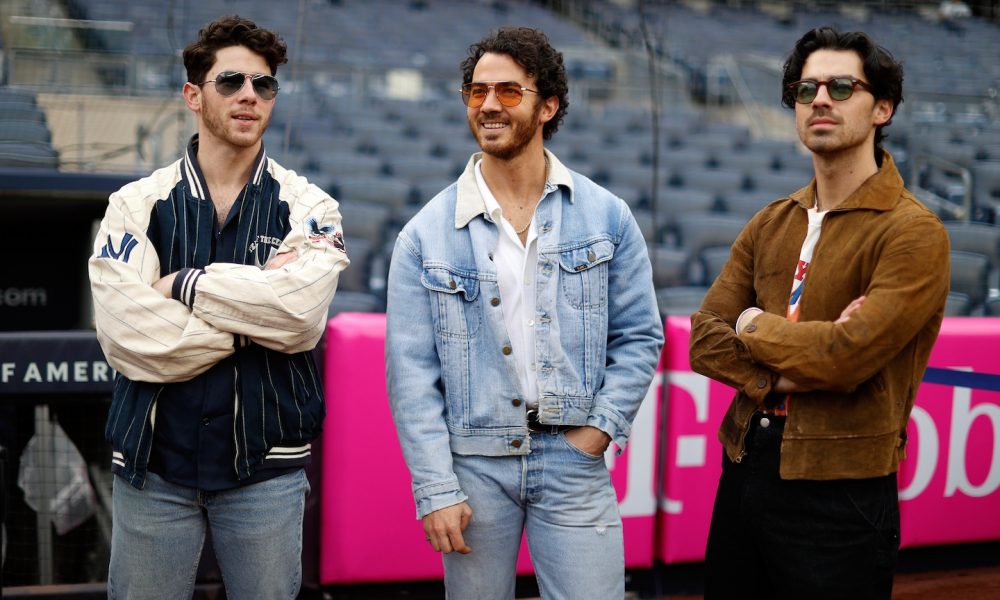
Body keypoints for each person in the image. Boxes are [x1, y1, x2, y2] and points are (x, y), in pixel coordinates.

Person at [385, 26, 663, 599]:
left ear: (548, 106)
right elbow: (410, 375)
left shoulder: (607, 217)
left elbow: (639, 337)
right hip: (474, 466)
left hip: (573, 459)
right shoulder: (424, 235)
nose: (488, 104)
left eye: (509, 92)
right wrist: (437, 488)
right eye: (476, 91)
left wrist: (598, 432)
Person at [89, 15, 348, 600]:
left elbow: (302, 319)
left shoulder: (309, 204)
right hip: (153, 467)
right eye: (230, 82)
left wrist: (184, 284)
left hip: (266, 469)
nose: (249, 96)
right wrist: (257, 316)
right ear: (193, 95)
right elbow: (128, 333)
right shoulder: (135, 204)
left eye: (264, 85)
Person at [689, 27, 950, 599]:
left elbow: (844, 359)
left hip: (842, 490)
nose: (820, 100)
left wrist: (753, 324)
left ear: (882, 107)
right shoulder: (771, 220)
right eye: (806, 90)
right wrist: (800, 358)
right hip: (745, 465)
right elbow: (703, 341)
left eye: (840, 86)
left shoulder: (913, 231)